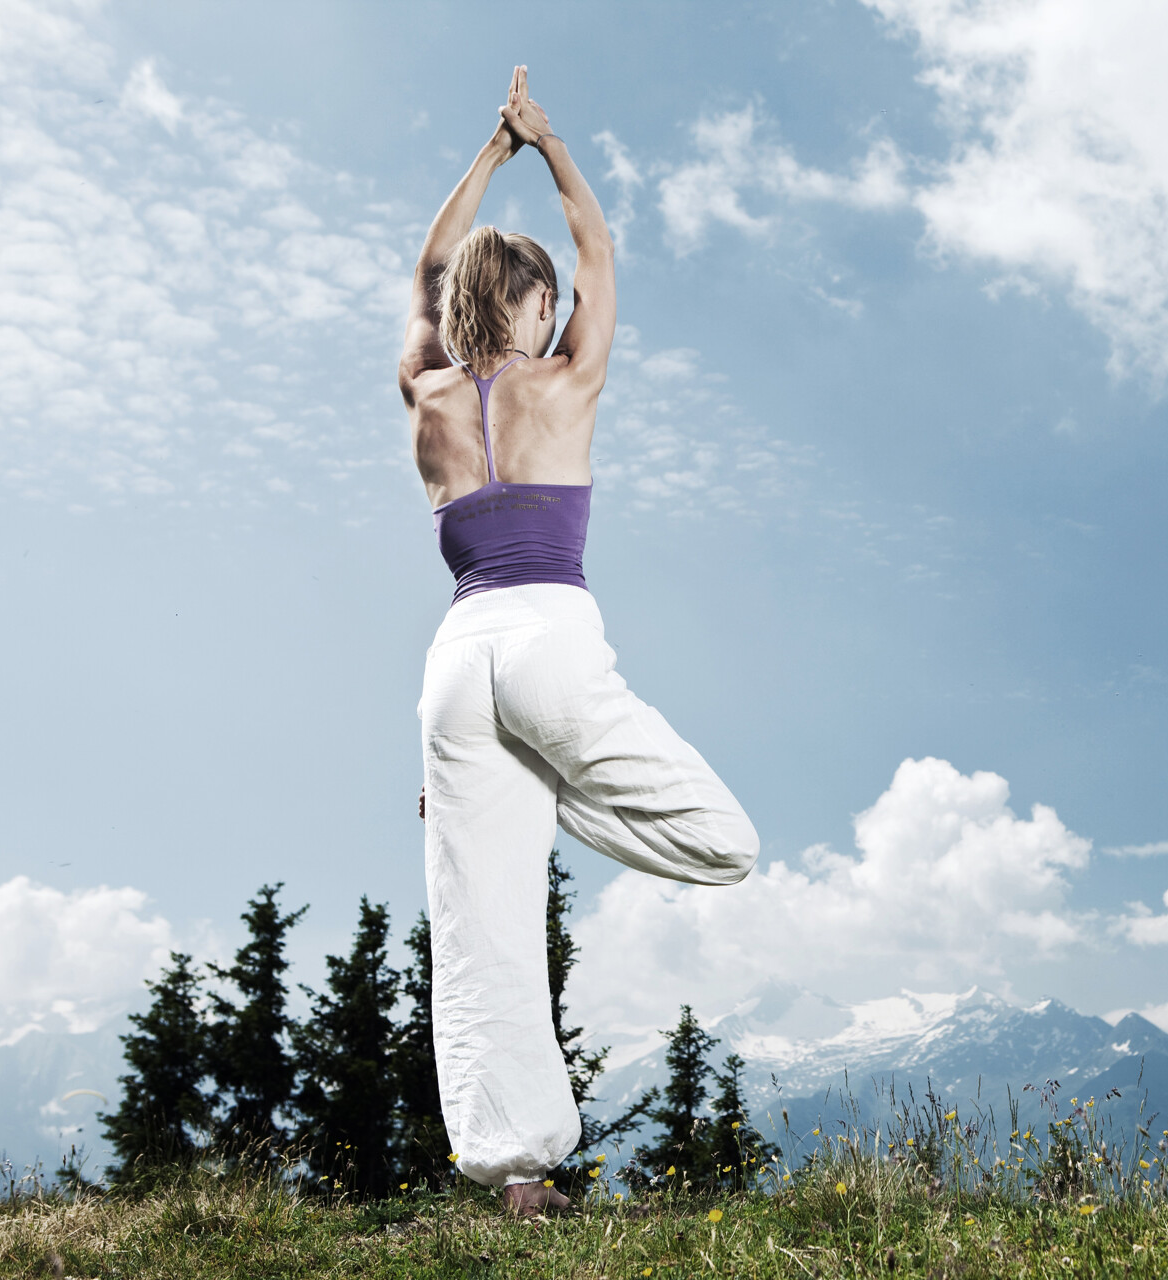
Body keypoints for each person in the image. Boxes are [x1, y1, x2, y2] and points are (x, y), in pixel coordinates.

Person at [399, 67, 759, 1217]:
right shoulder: (566, 381)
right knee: (724, 839)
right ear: (533, 305)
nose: (559, 308)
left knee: (480, 920)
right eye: (545, 298)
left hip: (456, 664)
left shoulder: (426, 395)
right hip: (550, 634)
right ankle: (553, 787)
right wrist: (546, 148)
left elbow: (423, 270)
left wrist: (484, 157)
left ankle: (515, 1174)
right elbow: (598, 252)